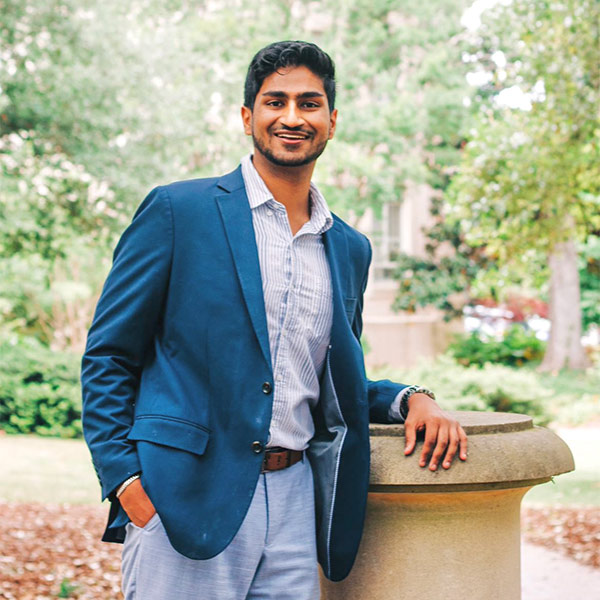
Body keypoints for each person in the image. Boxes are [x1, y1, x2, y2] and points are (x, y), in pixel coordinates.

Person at [81, 40, 467, 600]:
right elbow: (109, 355)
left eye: (309, 104)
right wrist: (125, 482)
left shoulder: (349, 248)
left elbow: (327, 377)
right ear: (248, 117)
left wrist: (413, 399)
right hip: (182, 500)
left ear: (332, 122)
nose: (292, 117)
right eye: (274, 101)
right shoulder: (177, 212)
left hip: (294, 502)